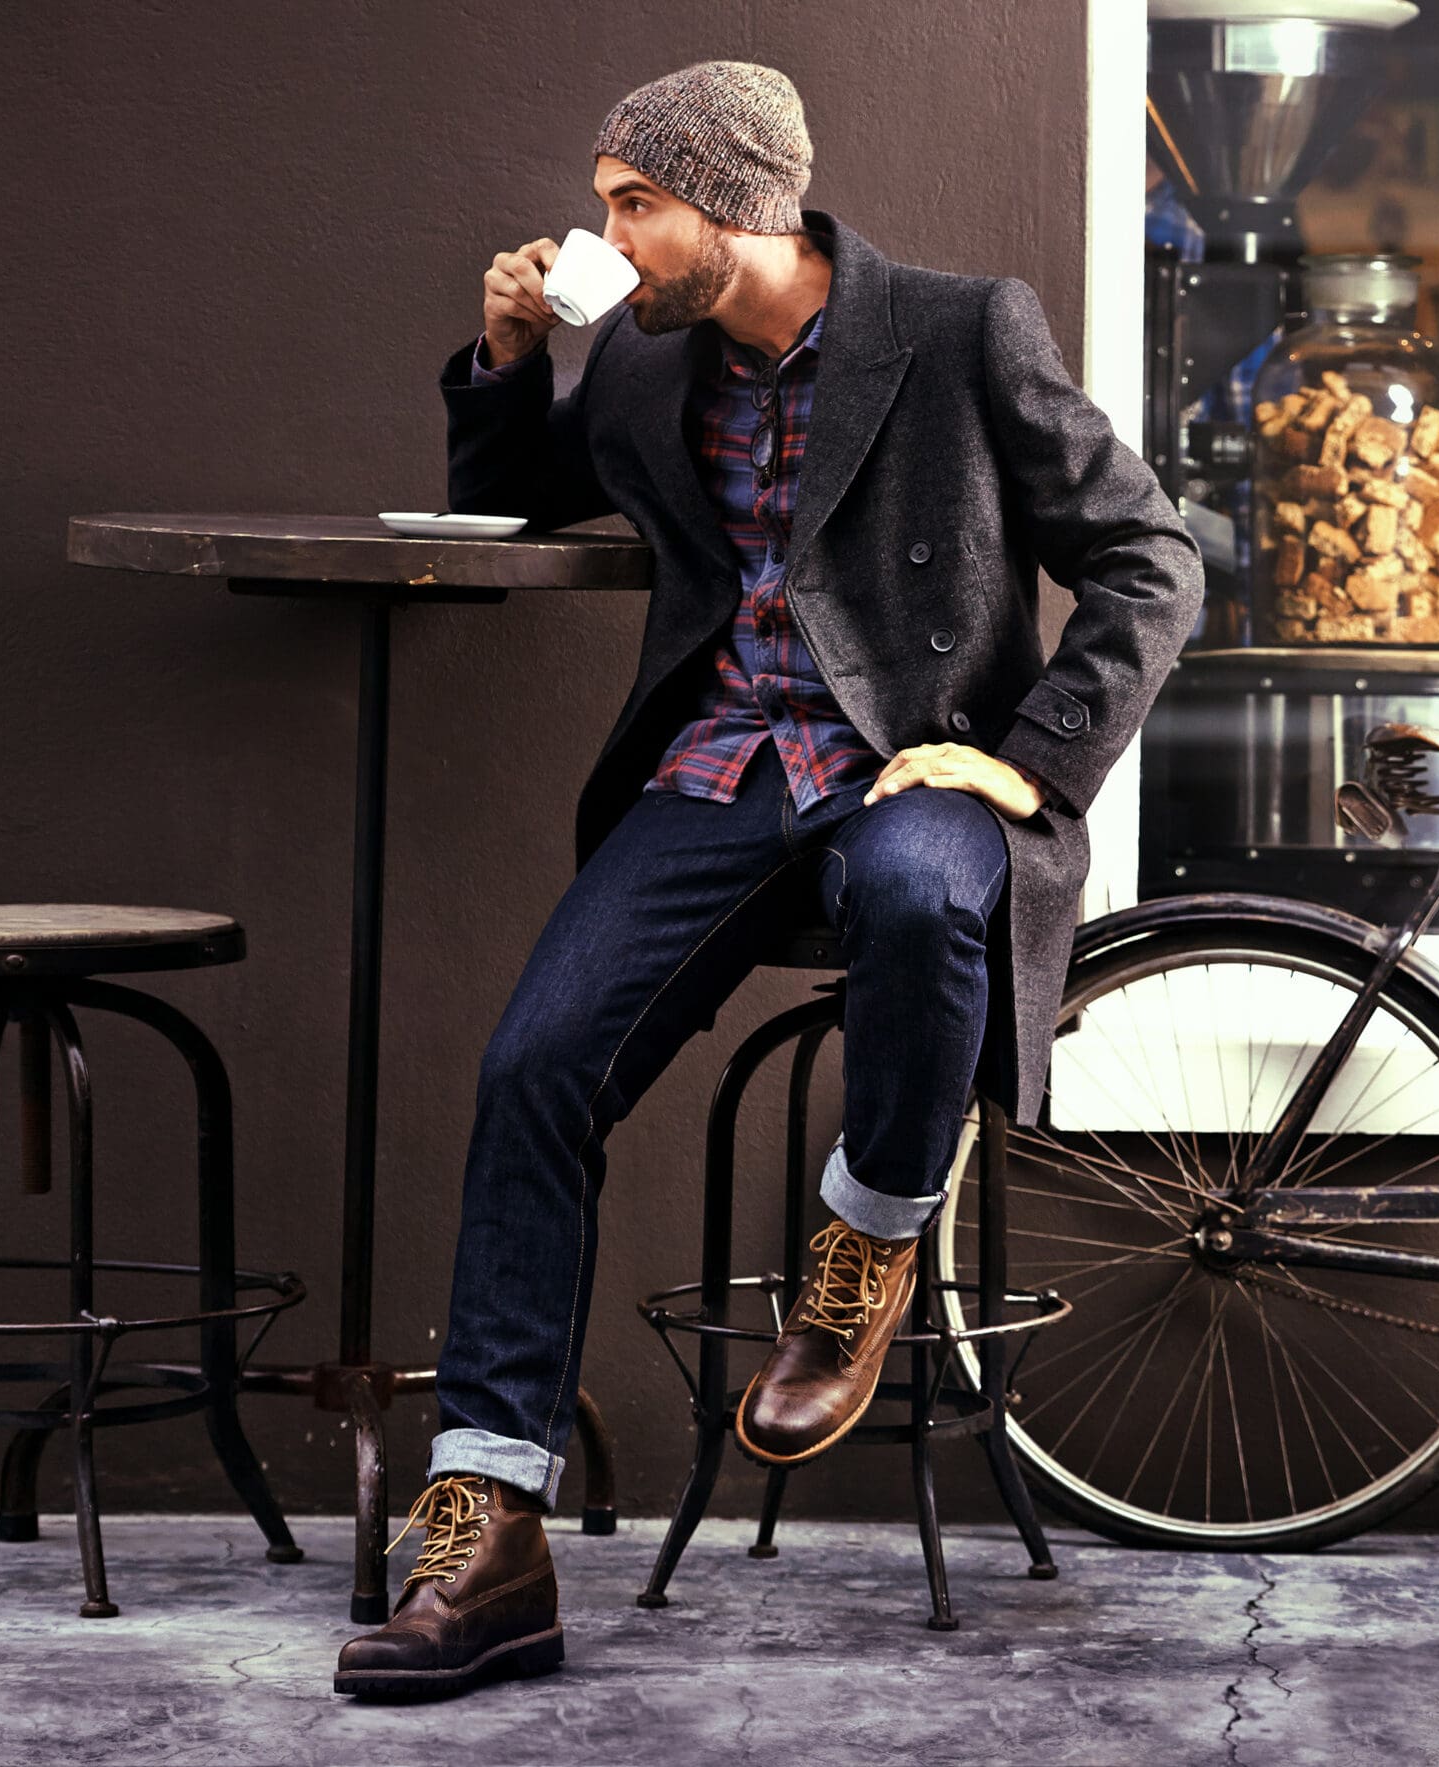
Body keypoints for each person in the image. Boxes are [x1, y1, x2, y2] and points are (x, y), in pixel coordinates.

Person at [333, 60, 1201, 1698]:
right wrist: (509, 360)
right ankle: (493, 1526)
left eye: (630, 206)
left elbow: (1151, 555)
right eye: (605, 206)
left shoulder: (961, 328)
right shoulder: (654, 373)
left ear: (733, 205)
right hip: (722, 770)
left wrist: (1033, 755)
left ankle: (866, 1241)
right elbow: (513, 508)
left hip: (917, 761)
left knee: (922, 889)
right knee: (532, 1068)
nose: (604, 235)